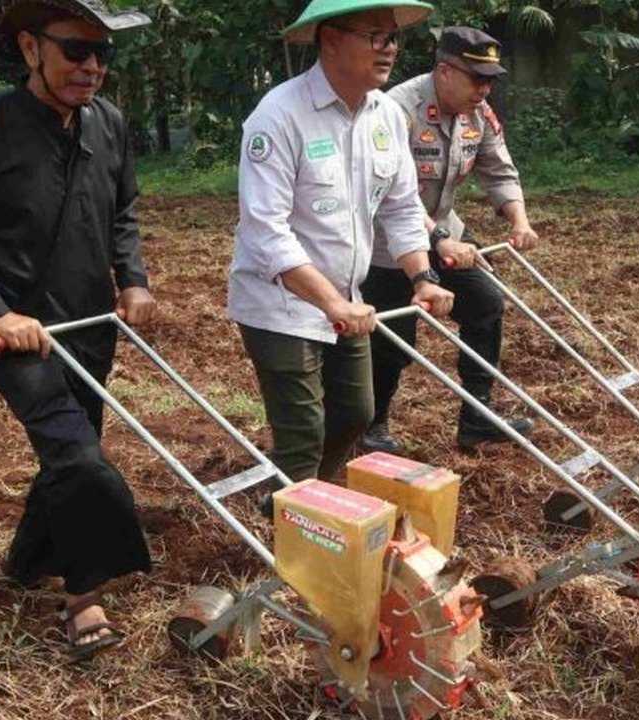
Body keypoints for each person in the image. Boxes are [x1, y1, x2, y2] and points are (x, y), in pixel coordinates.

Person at [0, 0, 156, 661]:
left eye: (103, 54)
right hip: (15, 336)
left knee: (71, 449)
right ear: (29, 48)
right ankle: (83, 594)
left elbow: (122, 212)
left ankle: (24, 561)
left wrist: (132, 278)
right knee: (79, 458)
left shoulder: (108, 123)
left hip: (90, 326)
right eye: (76, 50)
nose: (92, 66)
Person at [228, 0, 454, 486]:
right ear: (330, 39)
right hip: (280, 303)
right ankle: (298, 509)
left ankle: (303, 496)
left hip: (348, 299)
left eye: (393, 38)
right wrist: (331, 303)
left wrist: (422, 277)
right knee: (303, 433)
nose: (390, 49)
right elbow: (265, 230)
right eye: (376, 36)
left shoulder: (386, 115)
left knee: (356, 413)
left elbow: (401, 207)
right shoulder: (279, 116)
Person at [360, 26, 539, 454]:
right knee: (393, 338)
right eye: (477, 79)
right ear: (444, 72)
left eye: (490, 80)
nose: (485, 89)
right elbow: (392, 195)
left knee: (485, 305)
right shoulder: (395, 110)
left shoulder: (479, 113)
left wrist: (519, 220)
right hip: (388, 242)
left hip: (445, 229)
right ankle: (371, 426)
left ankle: (478, 419)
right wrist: (437, 240)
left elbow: (498, 169)